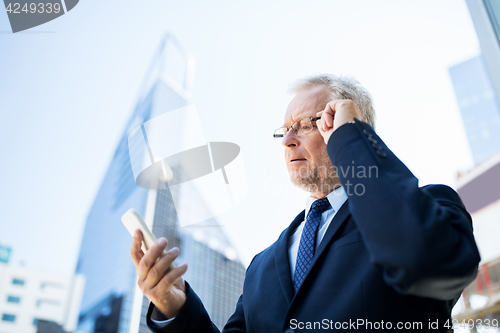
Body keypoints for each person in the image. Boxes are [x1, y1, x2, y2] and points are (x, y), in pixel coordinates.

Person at [130, 74, 480, 332]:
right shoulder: (260, 267)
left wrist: (352, 140)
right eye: (284, 130)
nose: (288, 141)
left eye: (305, 125)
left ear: (351, 127)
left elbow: (431, 263)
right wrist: (174, 307)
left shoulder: (428, 205)